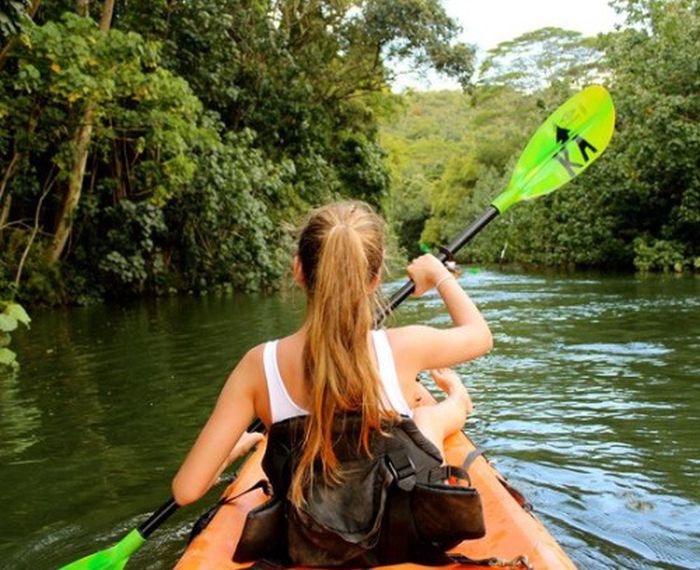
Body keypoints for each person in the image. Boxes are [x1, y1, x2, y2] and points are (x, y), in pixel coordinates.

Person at [172, 201, 492, 563]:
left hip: (311, 531)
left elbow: (186, 490)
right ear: (373, 280)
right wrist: (438, 276)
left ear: (299, 271)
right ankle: (459, 401)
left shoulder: (258, 365)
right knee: (426, 420)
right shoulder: (405, 346)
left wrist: (231, 450)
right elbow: (480, 335)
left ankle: (457, 402)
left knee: (423, 419)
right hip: (401, 521)